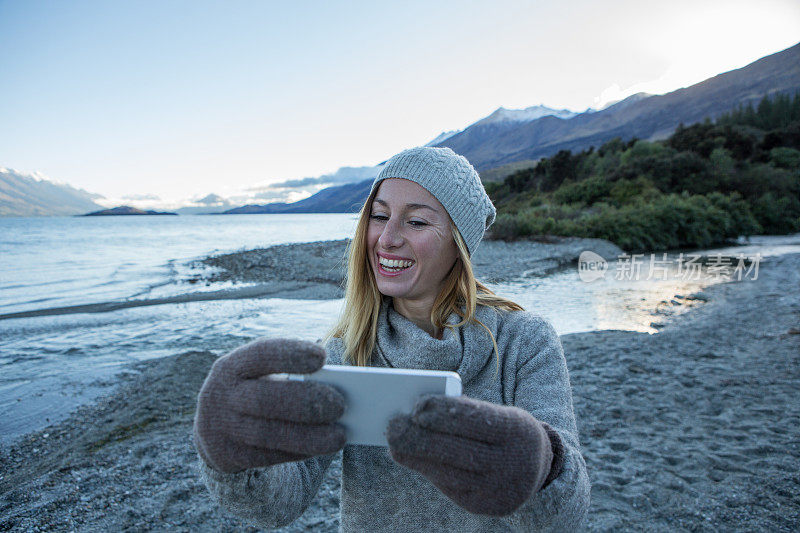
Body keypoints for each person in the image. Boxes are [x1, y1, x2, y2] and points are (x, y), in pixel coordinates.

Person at [193, 146, 591, 531]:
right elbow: (279, 503)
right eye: (379, 216)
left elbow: (567, 516)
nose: (386, 239)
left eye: (416, 222)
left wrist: (543, 465)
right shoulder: (346, 351)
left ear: (460, 245)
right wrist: (229, 456)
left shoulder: (524, 341)